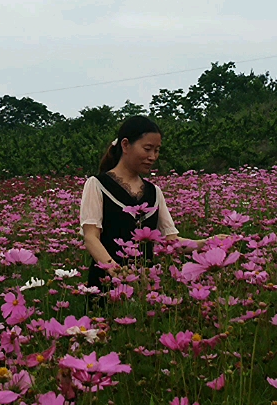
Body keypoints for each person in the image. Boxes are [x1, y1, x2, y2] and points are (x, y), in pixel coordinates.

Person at [78, 115, 227, 293]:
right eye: (147, 149)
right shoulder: (97, 184)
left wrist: (206, 243)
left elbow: (171, 240)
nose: (153, 157)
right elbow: (91, 237)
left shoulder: (154, 192)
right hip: (105, 285)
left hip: (144, 287)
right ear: (125, 145)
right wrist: (116, 271)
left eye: (156, 150)